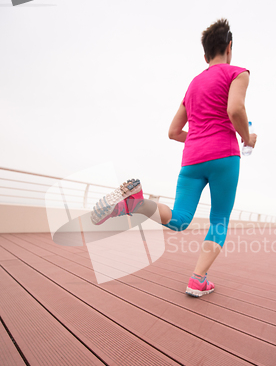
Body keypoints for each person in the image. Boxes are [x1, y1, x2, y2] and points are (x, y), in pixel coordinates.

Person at [91, 18, 257, 297]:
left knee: (179, 219)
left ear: (205, 55)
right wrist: (247, 137)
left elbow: (173, 131)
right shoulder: (237, 73)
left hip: (192, 159)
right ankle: (198, 279)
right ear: (229, 47)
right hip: (223, 157)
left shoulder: (193, 85)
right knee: (219, 219)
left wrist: (197, 137)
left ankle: (137, 203)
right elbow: (235, 109)